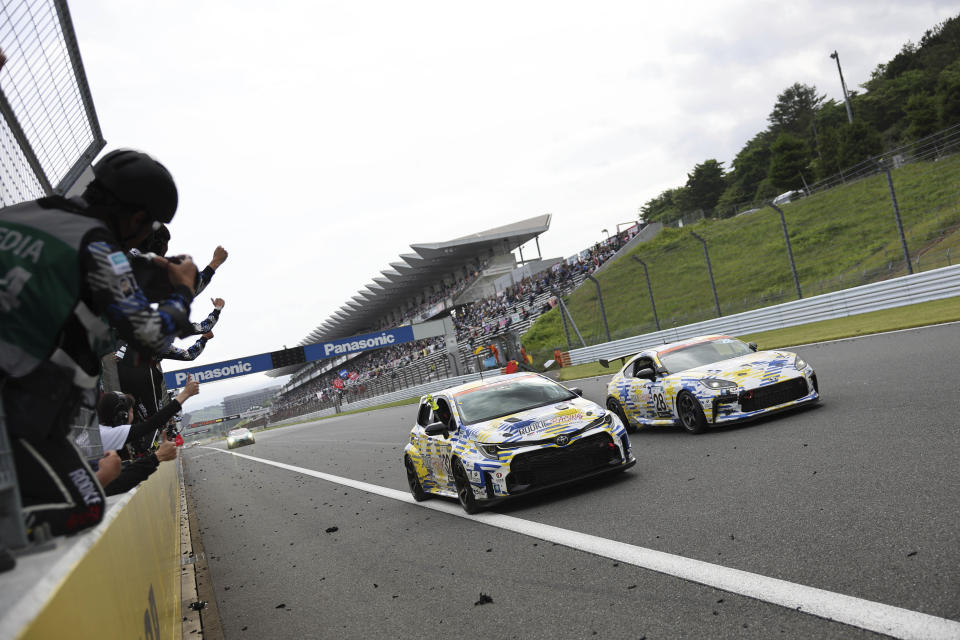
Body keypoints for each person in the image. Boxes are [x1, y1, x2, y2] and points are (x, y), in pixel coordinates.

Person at [0, 148, 197, 538]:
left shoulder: (24, 212)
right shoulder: (99, 248)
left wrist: (139, 269)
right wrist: (183, 292)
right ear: (138, 218)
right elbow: (151, 335)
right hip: (17, 400)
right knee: (88, 505)